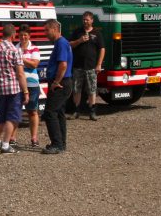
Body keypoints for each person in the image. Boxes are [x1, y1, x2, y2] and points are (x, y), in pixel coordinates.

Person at [0, 23, 28, 154]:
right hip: (13, 89)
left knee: (0, 118)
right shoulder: (15, 51)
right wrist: (25, 91)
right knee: (12, 118)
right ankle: (5, 145)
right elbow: (20, 73)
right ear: (14, 35)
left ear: (2, 34)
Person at [41, 19, 73, 155]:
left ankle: (57, 144)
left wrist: (56, 82)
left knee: (50, 112)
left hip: (61, 83)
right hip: (63, 82)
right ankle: (61, 143)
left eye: (47, 30)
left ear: (54, 29)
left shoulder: (61, 43)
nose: (45, 34)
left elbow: (63, 65)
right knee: (59, 113)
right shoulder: (62, 43)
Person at [68, 11, 105, 121]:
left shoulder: (97, 33)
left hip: (91, 67)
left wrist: (99, 64)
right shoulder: (77, 32)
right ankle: (76, 111)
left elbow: (102, 49)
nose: (85, 21)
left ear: (92, 20)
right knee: (76, 89)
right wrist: (79, 41)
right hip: (78, 66)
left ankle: (92, 112)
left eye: (87, 20)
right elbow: (69, 44)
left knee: (91, 89)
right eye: (84, 19)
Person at [11, 24, 41, 148]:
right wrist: (25, 62)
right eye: (21, 35)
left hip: (32, 84)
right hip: (16, 84)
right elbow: (12, 65)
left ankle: (34, 138)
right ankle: (12, 137)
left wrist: (20, 59)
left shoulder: (34, 48)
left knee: (32, 111)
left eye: (25, 35)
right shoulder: (14, 48)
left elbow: (35, 65)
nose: (23, 37)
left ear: (29, 36)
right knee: (15, 111)